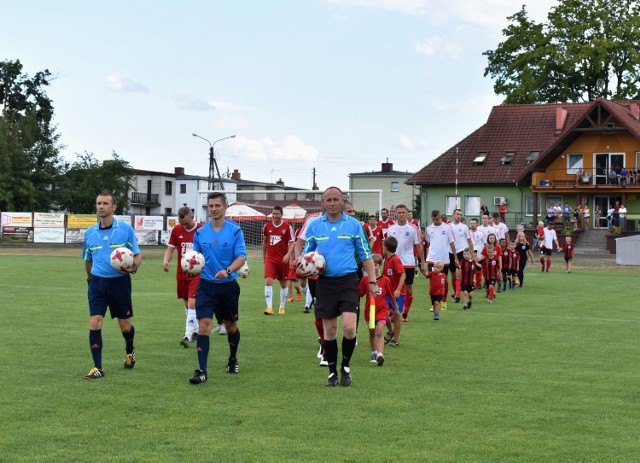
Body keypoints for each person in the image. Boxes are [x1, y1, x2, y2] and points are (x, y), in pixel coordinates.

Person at [301, 187, 376, 387]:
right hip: (325, 282)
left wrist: (372, 282)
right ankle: (332, 372)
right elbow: (306, 256)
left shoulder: (353, 225)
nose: (332, 203)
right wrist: (302, 269)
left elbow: (366, 254)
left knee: (350, 328)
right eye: (329, 200)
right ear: (323, 203)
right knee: (330, 331)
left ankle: (346, 367)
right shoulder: (315, 226)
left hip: (349, 281)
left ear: (342, 202)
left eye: (336, 199)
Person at [189, 192, 247, 384]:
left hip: (228, 286)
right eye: (211, 206)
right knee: (204, 325)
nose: (213, 209)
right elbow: (195, 258)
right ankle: (202, 371)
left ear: (225, 207)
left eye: (217, 205)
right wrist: (191, 269)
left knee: (231, 326)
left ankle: (232, 358)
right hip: (206, 286)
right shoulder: (200, 232)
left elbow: (241, 257)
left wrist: (228, 270)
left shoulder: (235, 231)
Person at [82, 192, 142, 380]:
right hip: (97, 283)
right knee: (95, 322)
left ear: (114, 207)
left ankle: (130, 350)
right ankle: (97, 367)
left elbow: (137, 255)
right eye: (98, 203)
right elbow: (88, 259)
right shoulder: (90, 232)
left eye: (105, 203)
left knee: (125, 327)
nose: (101, 206)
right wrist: (90, 278)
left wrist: (133, 267)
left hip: (119, 283)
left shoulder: (125, 229)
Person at [162, 205, 207, 348]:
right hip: (182, 272)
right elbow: (170, 248)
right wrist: (166, 261)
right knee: (187, 303)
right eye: (182, 223)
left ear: (192, 217)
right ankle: (196, 329)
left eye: (186, 223)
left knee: (193, 302)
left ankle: (188, 334)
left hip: (197, 273)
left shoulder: (202, 230)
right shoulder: (176, 230)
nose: (184, 225)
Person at [386, 204, 424, 324]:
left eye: (403, 212)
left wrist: (422, 262)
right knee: (391, 288)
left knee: (408, 288)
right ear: (396, 214)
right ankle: (393, 311)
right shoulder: (391, 229)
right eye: (399, 212)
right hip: (393, 262)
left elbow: (418, 245)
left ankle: (405, 313)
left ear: (407, 214)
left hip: (408, 263)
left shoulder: (413, 228)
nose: (401, 215)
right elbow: (387, 246)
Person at [358, 253, 395, 366]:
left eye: (375, 265)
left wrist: (396, 309)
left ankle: (380, 354)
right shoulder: (365, 280)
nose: (373, 267)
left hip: (382, 310)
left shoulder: (385, 281)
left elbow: (391, 295)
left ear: (379, 266)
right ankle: (373, 352)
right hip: (369, 312)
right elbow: (360, 293)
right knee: (372, 333)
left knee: (379, 331)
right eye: (371, 265)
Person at [263, 206, 294, 315]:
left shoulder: (287, 227)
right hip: (270, 259)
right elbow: (265, 242)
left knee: (283, 283)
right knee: (268, 280)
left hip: (283, 260)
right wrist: (264, 257)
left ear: (281, 214)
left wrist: (288, 255)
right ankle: (269, 307)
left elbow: (292, 242)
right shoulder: (267, 226)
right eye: (273, 214)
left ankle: (282, 306)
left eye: (277, 214)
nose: (275, 216)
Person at [425, 210, 457, 311]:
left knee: (443, 281)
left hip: (444, 259)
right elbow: (428, 243)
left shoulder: (447, 228)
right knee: (433, 282)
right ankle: (433, 303)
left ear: (440, 217)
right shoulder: (428, 229)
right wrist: (426, 258)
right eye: (434, 219)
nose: (436, 221)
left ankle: (443, 301)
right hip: (432, 258)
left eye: (437, 219)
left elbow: (451, 243)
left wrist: (455, 257)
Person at [382, 236, 406, 347]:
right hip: (388, 293)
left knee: (396, 315)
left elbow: (403, 274)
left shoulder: (395, 259)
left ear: (386, 247)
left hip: (398, 294)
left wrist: (398, 289)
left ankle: (395, 339)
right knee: (382, 312)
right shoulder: (386, 260)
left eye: (383, 246)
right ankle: (391, 331)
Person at [448, 209, 474, 303]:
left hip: (461, 252)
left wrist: (472, 254)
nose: (459, 216)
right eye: (458, 214)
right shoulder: (448, 226)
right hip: (450, 252)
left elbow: (469, 240)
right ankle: (456, 292)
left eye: (461, 214)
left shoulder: (464, 227)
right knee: (453, 275)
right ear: (453, 215)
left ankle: (457, 295)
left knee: (459, 274)